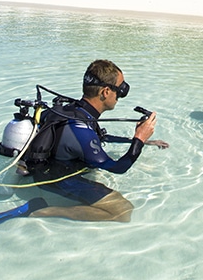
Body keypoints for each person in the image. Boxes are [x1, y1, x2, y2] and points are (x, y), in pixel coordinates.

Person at [28, 59, 169, 222]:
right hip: (55, 179)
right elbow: (118, 167)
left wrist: (141, 140)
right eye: (120, 90)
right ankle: (44, 211)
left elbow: (100, 137)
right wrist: (139, 139)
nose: (119, 96)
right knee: (123, 211)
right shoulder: (80, 129)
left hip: (48, 166)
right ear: (106, 92)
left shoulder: (75, 111)